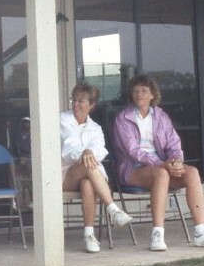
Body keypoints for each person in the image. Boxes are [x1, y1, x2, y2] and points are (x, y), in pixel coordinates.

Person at [112, 74, 204, 251]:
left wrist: (176, 161)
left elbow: (173, 142)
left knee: (191, 172)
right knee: (161, 174)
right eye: (136, 90)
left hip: (161, 165)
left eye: (144, 91)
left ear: (152, 95)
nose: (140, 94)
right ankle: (157, 235)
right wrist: (162, 164)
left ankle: (200, 232)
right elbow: (133, 151)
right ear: (131, 94)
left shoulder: (161, 116)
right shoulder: (123, 118)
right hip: (132, 169)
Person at [61, 82, 132, 253]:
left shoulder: (96, 128)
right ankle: (113, 209)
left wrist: (89, 152)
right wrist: (84, 152)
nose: (76, 104)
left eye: (81, 101)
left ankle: (89, 235)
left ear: (92, 105)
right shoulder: (61, 120)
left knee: (87, 182)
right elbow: (66, 151)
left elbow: (101, 150)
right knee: (88, 164)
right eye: (74, 100)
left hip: (89, 174)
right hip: (63, 175)